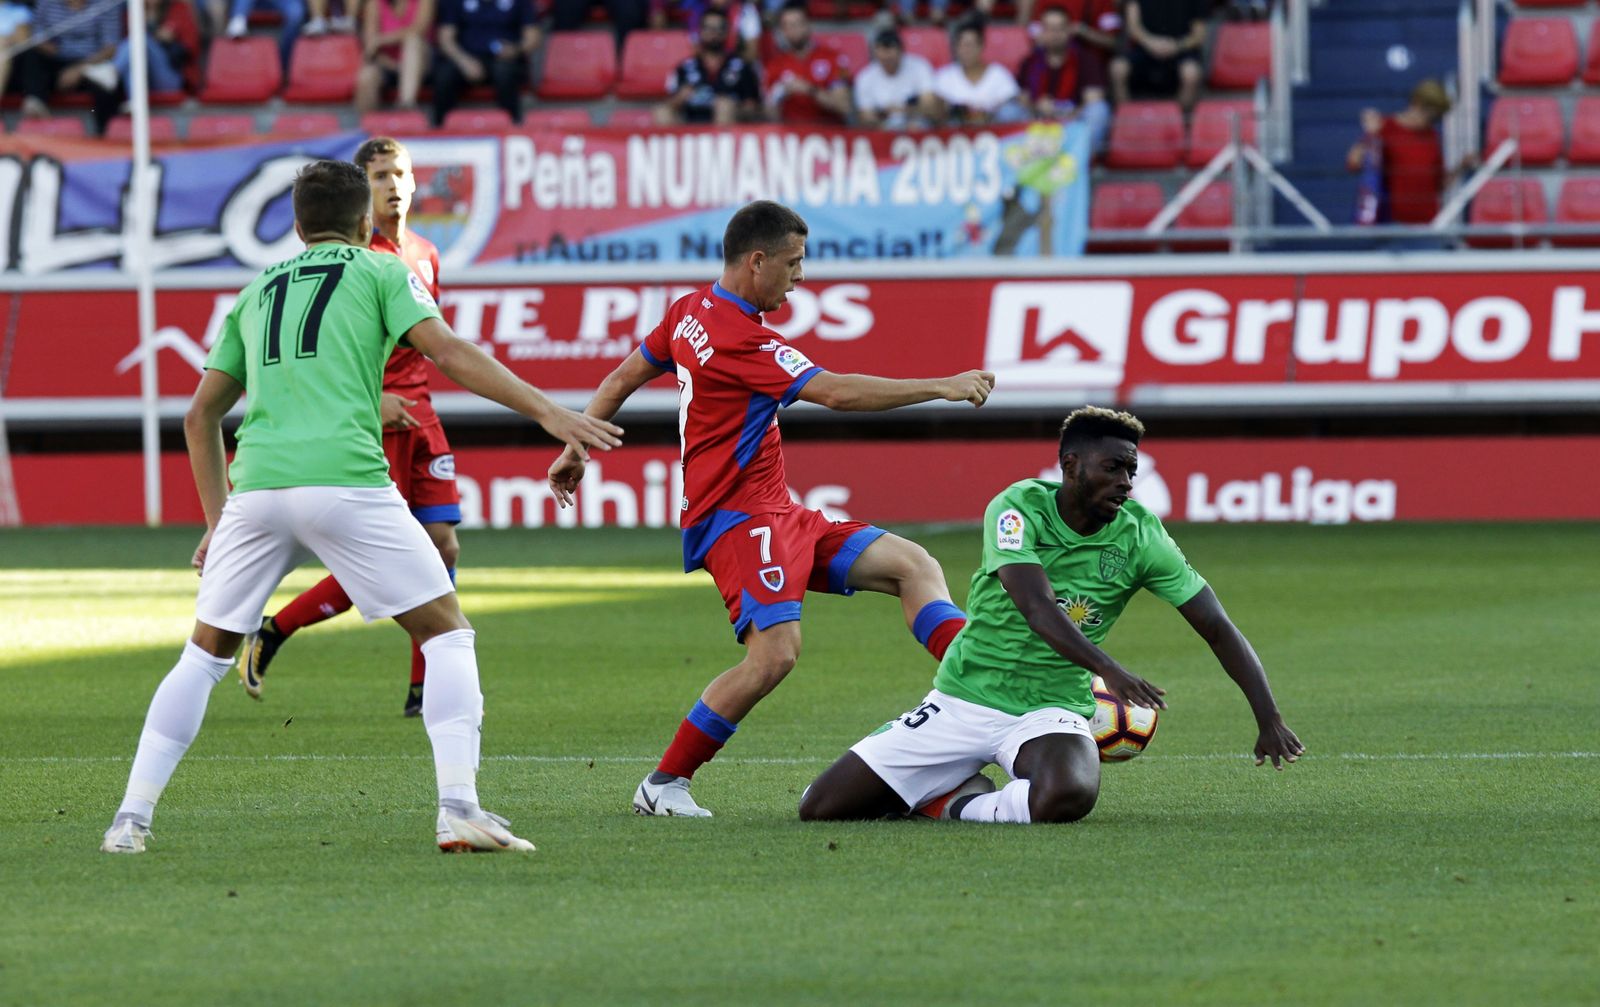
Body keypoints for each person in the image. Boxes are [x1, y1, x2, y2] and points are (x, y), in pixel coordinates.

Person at [98, 160, 623, 855]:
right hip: (345, 478)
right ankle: (459, 807)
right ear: (363, 222)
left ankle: (129, 820)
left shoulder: (254, 290)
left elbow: (200, 417)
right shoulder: (380, 270)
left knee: (203, 656)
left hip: (256, 488)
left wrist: (217, 522)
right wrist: (549, 413)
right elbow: (449, 352)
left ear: (294, 224)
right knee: (447, 634)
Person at [546, 200, 996, 818]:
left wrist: (578, 445)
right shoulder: (741, 338)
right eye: (794, 262)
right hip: (736, 519)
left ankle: (989, 685)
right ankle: (664, 784)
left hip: (777, 511)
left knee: (912, 565)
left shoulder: (688, 312)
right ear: (757, 262)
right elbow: (835, 392)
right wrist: (941, 385)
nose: (800, 276)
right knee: (775, 655)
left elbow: (623, 376)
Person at [799, 406, 1306, 825]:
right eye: (1113, 467)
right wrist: (1108, 668)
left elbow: (1215, 625)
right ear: (1071, 465)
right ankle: (949, 784)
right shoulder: (1018, 508)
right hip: (961, 701)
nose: (1126, 481)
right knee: (820, 810)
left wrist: (1268, 717)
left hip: (1049, 710)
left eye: (1131, 470)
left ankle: (951, 803)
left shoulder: (1142, 535)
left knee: (1068, 796)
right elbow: (1036, 606)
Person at [240, 138, 458, 718]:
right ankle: (276, 628)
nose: (394, 185)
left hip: (424, 414)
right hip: (374, 415)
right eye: (381, 175)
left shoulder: (426, 252)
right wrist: (377, 395)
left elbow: (431, 343)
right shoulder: (360, 258)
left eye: (402, 173)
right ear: (363, 192)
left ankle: (421, 689)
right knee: (385, 561)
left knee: (443, 544)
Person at [1344, 79, 1451, 226]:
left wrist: (1462, 167)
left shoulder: (1432, 136)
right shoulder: (1385, 127)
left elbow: (1439, 184)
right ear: (1416, 103)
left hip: (1427, 225)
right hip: (1392, 224)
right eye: (1430, 116)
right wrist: (1369, 134)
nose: (1431, 122)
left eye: (1436, 119)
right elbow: (1353, 163)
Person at [17, 0, 122, 133]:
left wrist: (79, 69)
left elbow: (111, 48)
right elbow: (37, 35)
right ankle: (35, 101)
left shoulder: (106, 3)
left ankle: (104, 134)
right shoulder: (47, 3)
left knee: (107, 82)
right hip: (58, 60)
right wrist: (44, 45)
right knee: (32, 55)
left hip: (93, 63)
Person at [430, 0, 540, 127]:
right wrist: (464, 62)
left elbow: (533, 37)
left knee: (505, 72)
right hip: (465, 58)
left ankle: (512, 124)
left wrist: (515, 49)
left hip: (505, 59)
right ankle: (440, 127)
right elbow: (445, 39)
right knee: (444, 74)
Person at [1015, 7, 1109, 151]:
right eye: (1050, 29)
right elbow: (1022, 99)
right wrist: (1037, 107)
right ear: (1042, 32)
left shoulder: (1086, 59)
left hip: (1074, 125)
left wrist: (1065, 113)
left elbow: (1094, 98)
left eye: (1060, 28)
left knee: (1099, 110)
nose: (1055, 34)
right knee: (1009, 111)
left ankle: (1083, 159)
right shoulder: (1030, 61)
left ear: (1069, 30)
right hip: (1037, 125)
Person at [656, 7, 761, 126]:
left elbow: (752, 108)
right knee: (662, 112)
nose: (713, 33)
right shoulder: (684, 68)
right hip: (691, 124)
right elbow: (670, 103)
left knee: (724, 106)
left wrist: (732, 107)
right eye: (708, 28)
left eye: (718, 29)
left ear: (727, 32)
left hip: (730, 128)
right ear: (700, 32)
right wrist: (680, 98)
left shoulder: (742, 67)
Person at [1108, 0, 1206, 112]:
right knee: (1117, 68)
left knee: (1191, 74)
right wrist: (1151, 43)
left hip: (1180, 50)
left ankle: (1179, 121)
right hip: (1144, 49)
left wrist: (1176, 46)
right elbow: (1133, 27)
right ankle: (1125, 117)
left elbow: (1199, 35)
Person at [763, 2, 851, 126]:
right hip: (791, 134)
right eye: (787, 26)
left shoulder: (835, 58)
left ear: (808, 24)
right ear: (782, 31)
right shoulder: (774, 65)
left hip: (828, 131)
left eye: (797, 24)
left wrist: (809, 90)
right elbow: (770, 117)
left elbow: (844, 106)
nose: (793, 30)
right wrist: (778, 96)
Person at [931, 20, 1024, 126]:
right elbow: (937, 110)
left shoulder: (998, 73)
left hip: (994, 131)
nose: (965, 50)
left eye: (969, 45)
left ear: (981, 46)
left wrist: (984, 114)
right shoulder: (945, 76)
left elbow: (1012, 103)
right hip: (956, 133)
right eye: (960, 45)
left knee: (1011, 112)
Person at [355, 0, 434, 111]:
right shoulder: (374, 4)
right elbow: (371, 48)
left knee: (413, 42)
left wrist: (382, 40)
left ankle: (406, 104)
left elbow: (419, 29)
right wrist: (396, 66)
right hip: (389, 64)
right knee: (366, 77)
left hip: (422, 63)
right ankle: (366, 125)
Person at [852, 28, 936, 130]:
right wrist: (882, 118)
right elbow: (866, 116)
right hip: (883, 128)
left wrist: (903, 110)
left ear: (901, 51)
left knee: (916, 126)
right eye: (882, 52)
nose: (887, 57)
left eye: (890, 52)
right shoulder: (865, 77)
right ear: (875, 53)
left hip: (917, 124)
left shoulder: (920, 67)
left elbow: (930, 106)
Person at [112, 0, 194, 97]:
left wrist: (151, 22)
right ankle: (134, 101)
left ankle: (112, 72)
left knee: (140, 39)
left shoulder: (177, 8)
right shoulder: (135, 9)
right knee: (133, 54)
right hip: (144, 80)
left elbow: (171, 37)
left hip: (171, 78)